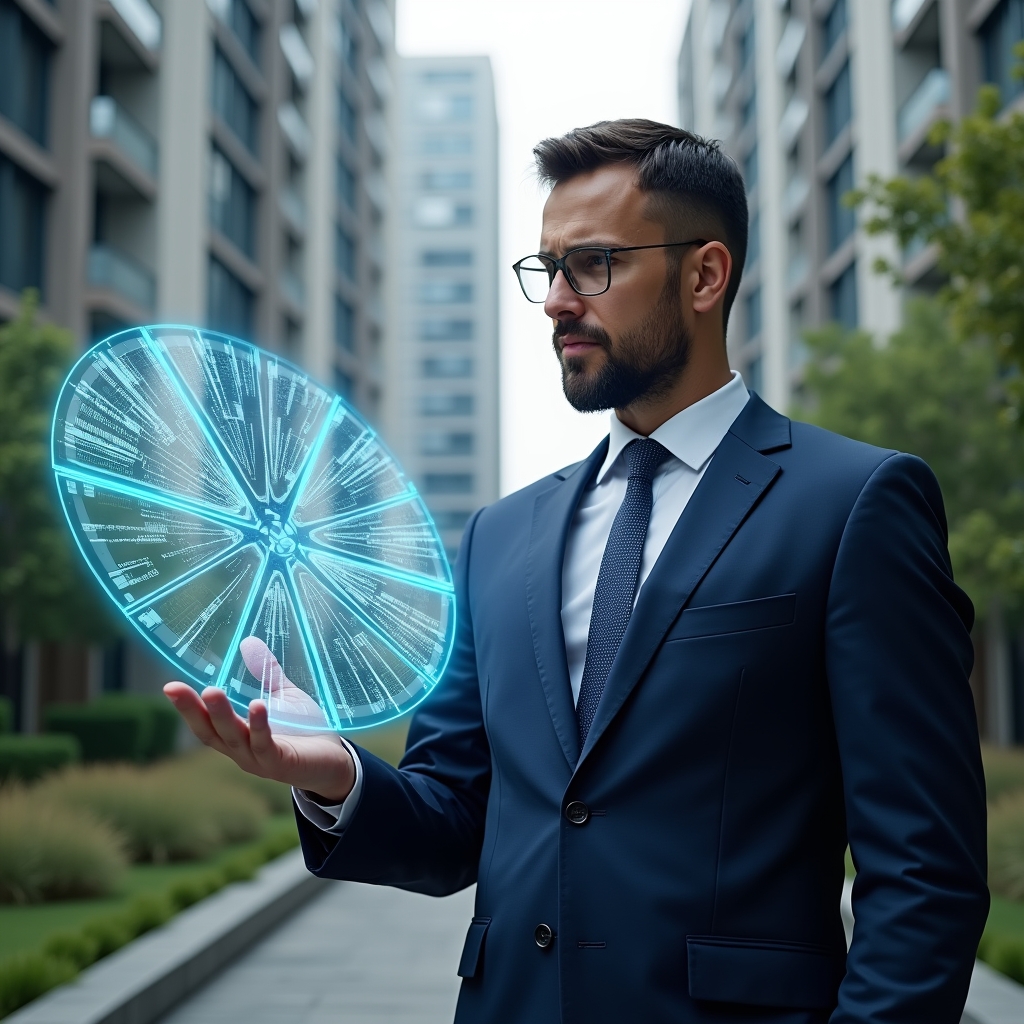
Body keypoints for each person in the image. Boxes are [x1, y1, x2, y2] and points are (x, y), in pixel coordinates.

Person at [165, 120, 988, 1024]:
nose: (557, 300)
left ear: (706, 274)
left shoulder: (854, 502)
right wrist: (332, 774)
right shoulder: (499, 536)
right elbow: (456, 823)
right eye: (547, 268)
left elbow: (925, 872)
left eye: (593, 265)